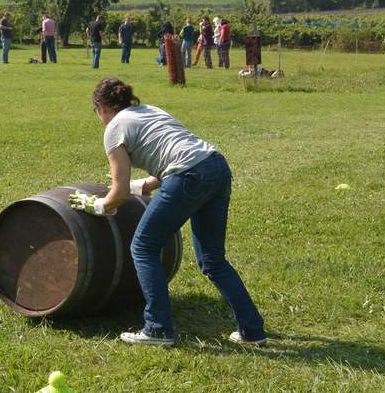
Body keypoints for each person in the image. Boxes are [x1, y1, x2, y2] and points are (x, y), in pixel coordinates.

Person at [69, 77, 267, 347]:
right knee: (213, 260)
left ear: (102, 108)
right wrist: (147, 184)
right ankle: (252, 330)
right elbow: (178, 154)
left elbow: (120, 192)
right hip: (216, 166)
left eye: (97, 113)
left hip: (188, 175)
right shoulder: (151, 110)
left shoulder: (114, 127)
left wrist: (98, 205)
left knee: (143, 247)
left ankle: (158, 328)